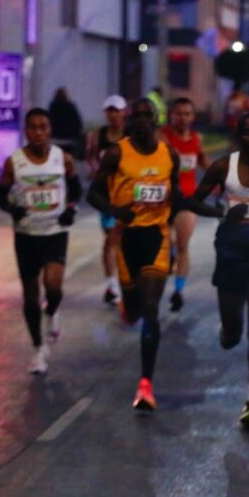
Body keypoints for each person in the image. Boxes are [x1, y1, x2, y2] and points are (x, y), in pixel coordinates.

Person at [186, 113, 249, 428]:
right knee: (232, 336)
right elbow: (194, 201)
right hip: (229, 257)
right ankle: (228, 328)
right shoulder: (222, 168)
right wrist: (223, 211)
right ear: (238, 137)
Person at [87, 98, 180, 411]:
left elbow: (175, 194)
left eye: (146, 115)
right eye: (136, 115)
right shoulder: (117, 153)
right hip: (127, 240)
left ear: (155, 120)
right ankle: (127, 305)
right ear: (130, 120)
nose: (141, 120)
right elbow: (93, 193)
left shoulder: (169, 154)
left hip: (158, 238)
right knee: (135, 308)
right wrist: (116, 211)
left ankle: (145, 384)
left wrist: (176, 217)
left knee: (151, 307)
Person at [0, 108, 82, 375]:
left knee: (53, 287)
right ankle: (38, 348)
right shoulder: (14, 162)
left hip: (55, 232)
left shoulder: (63, 159)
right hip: (26, 235)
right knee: (31, 295)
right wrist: (13, 209)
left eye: (43, 127)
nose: (38, 133)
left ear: (50, 130)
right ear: (26, 131)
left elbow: (76, 189)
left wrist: (71, 208)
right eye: (33, 127)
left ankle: (52, 311)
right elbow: (0, 196)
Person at [160, 97, 208, 312]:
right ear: (171, 115)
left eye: (187, 113)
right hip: (164, 198)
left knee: (183, 245)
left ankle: (178, 291)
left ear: (193, 116)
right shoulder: (162, 137)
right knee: (165, 243)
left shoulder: (197, 139)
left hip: (187, 199)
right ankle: (168, 255)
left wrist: (219, 180)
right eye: (178, 113)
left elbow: (203, 161)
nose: (183, 118)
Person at [86, 94, 128, 305]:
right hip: (106, 196)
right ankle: (112, 284)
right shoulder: (98, 136)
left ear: (124, 112)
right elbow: (90, 159)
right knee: (111, 238)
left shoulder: (131, 136)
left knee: (125, 240)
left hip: (128, 194)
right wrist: (94, 171)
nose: (113, 115)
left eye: (116, 110)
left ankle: (125, 280)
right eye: (109, 111)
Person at [47, 86, 85, 160]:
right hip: (70, 141)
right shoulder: (71, 107)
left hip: (55, 140)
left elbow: (48, 122)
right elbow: (78, 123)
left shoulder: (52, 108)